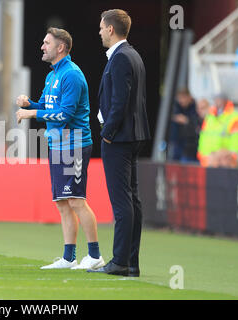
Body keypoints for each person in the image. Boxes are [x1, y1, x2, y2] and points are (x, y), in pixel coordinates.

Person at [15, 27, 104, 270]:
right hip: (58, 145)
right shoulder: (52, 75)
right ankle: (69, 257)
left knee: (76, 200)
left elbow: (64, 114)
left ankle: (95, 255)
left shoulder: (72, 75)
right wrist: (29, 103)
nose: (42, 47)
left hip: (74, 144)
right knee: (63, 202)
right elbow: (45, 106)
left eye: (46, 43)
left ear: (60, 47)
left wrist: (31, 112)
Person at [88, 9, 150, 277]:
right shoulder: (132, 55)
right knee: (133, 200)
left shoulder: (121, 57)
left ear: (111, 29)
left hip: (120, 137)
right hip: (133, 135)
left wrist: (108, 132)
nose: (100, 31)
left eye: (102, 27)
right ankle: (131, 262)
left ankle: (120, 261)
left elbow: (120, 101)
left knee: (122, 201)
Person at [197, 93, 238, 168]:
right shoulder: (210, 116)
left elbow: (237, 142)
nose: (216, 102)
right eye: (215, 99)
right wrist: (202, 156)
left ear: (225, 100)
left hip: (222, 164)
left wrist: (230, 158)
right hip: (206, 162)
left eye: (219, 99)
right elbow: (204, 137)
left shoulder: (234, 117)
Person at [168, 88, 199, 163]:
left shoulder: (196, 107)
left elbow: (197, 124)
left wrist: (187, 120)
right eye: (179, 98)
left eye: (182, 98)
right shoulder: (176, 106)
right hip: (176, 142)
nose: (180, 101)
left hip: (191, 146)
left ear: (189, 97)